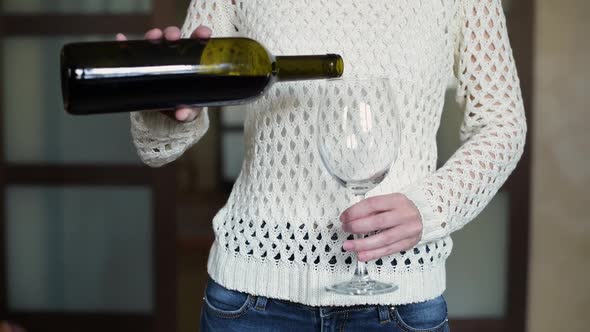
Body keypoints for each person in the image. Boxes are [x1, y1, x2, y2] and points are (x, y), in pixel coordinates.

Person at [118, 0, 527, 330]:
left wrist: (432, 207)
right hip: (251, 298)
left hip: (397, 300)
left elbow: (502, 123)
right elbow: (167, 137)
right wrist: (165, 110)